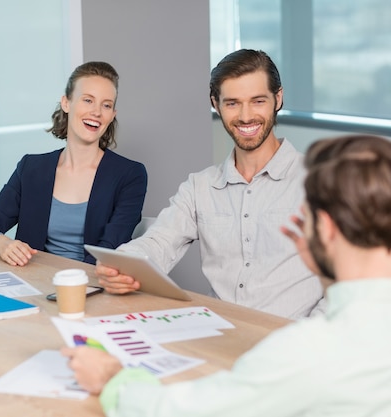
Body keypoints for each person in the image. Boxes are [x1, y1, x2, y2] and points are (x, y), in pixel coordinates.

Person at [62, 134, 391, 416]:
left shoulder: (308, 352)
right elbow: (161, 239)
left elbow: (185, 412)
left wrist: (112, 378)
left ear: (325, 228)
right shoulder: (202, 185)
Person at [98, 49, 323, 319]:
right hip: (219, 335)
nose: (246, 116)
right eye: (232, 103)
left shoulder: (320, 182)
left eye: (258, 101)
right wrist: (121, 265)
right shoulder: (200, 187)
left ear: (278, 98)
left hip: (293, 344)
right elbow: (158, 242)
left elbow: (352, 281)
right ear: (215, 103)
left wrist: (311, 336)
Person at [0, 61, 147, 266]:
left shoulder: (131, 175)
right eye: (88, 100)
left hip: (93, 285)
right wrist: (2, 243)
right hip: (34, 282)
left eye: (106, 105)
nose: (97, 112)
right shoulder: (31, 168)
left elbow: (110, 249)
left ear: (112, 115)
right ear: (66, 103)